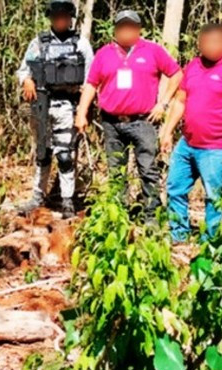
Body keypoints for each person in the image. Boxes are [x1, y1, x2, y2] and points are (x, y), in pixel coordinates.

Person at [75, 10, 182, 221]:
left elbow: (177, 74)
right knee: (116, 172)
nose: (126, 30)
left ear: (139, 29)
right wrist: (81, 112)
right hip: (112, 122)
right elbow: (91, 84)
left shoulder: (153, 51)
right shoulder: (104, 54)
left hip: (143, 121)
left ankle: (151, 217)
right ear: (115, 29)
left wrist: (163, 103)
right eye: (122, 26)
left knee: (148, 170)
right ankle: (119, 217)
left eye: (131, 26)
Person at [160, 24, 222, 242]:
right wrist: (167, 131)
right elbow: (180, 101)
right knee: (175, 187)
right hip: (188, 143)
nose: (209, 47)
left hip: (216, 147)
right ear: (199, 44)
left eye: (214, 43)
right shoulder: (193, 66)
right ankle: (178, 236)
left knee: (214, 197)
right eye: (205, 43)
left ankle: (210, 243)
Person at [16, 0, 94, 219]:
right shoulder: (39, 43)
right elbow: (23, 70)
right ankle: (37, 197)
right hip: (41, 104)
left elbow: (91, 78)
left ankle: (67, 200)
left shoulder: (81, 44)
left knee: (65, 155)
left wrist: (83, 110)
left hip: (67, 105)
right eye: (56, 16)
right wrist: (26, 81)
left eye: (64, 17)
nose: (60, 20)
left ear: (70, 19)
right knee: (43, 153)